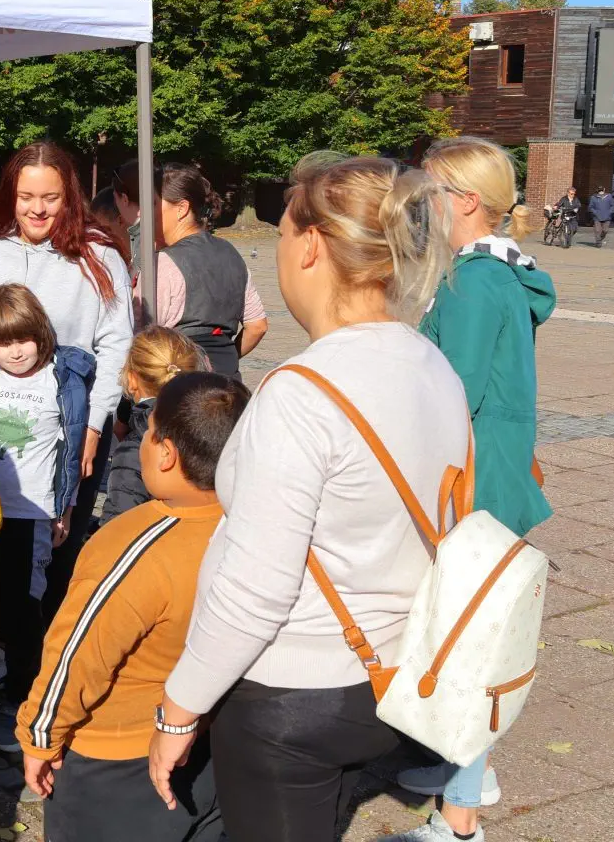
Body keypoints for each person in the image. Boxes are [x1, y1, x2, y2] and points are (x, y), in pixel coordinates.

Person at [149, 154, 468, 842]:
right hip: (391, 674)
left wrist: (180, 707)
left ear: (313, 247)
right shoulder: (428, 362)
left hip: (294, 696)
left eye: (284, 235)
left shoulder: (302, 392)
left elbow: (255, 584)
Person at [386, 138, 557, 842]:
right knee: (468, 632)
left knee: (467, 642)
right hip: (491, 472)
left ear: (461, 201)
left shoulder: (474, 282)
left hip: (473, 482)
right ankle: (455, 766)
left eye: (428, 190)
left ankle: (459, 816)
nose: (417, 203)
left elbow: (443, 389)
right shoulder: (496, 274)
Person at [19, 373, 248, 842]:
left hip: (114, 759)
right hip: (205, 737)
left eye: (148, 431)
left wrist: (39, 736)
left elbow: (78, 655)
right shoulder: (252, 526)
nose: (142, 439)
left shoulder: (133, 546)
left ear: (166, 454)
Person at [0, 141, 133, 624]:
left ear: (70, 197)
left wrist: (94, 424)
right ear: (11, 195)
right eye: (27, 196)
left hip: (69, 424)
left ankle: (38, 659)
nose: (38, 209)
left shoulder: (98, 256)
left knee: (56, 543)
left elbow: (116, 344)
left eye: (50, 197)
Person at [0, 284, 93, 750]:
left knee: (20, 611)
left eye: (23, 339)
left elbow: (69, 454)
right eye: (3, 342)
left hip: (30, 517)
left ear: (41, 334)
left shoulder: (63, 381)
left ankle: (22, 698)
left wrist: (65, 508)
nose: (15, 351)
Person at [140, 163, 267, 379]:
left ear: (181, 208)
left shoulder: (162, 263)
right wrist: (224, 359)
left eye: (153, 203)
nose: (144, 212)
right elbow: (257, 326)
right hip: (228, 386)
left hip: (179, 388)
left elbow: (141, 338)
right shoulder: (231, 253)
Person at [101, 326, 208, 522]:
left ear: (132, 380)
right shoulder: (210, 430)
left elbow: (119, 523)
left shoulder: (135, 448)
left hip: (153, 547)